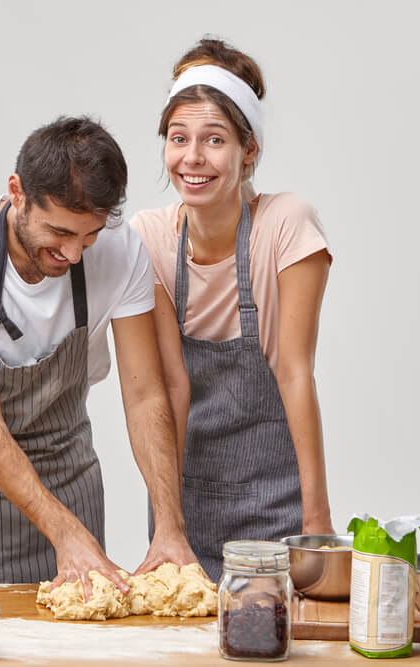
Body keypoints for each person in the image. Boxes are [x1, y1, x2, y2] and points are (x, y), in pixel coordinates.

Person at [0, 116, 196, 594]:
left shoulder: (124, 253)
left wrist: (169, 524)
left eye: (90, 236)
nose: (74, 254)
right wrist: (63, 532)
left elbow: (146, 394)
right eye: (59, 232)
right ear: (17, 191)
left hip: (68, 473)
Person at [132, 39, 335, 580]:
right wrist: (166, 526)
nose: (193, 158)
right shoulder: (149, 238)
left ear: (250, 151)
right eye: (179, 139)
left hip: (278, 515)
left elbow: (295, 373)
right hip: (185, 510)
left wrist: (316, 523)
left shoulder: (286, 224)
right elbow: (171, 388)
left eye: (214, 140)